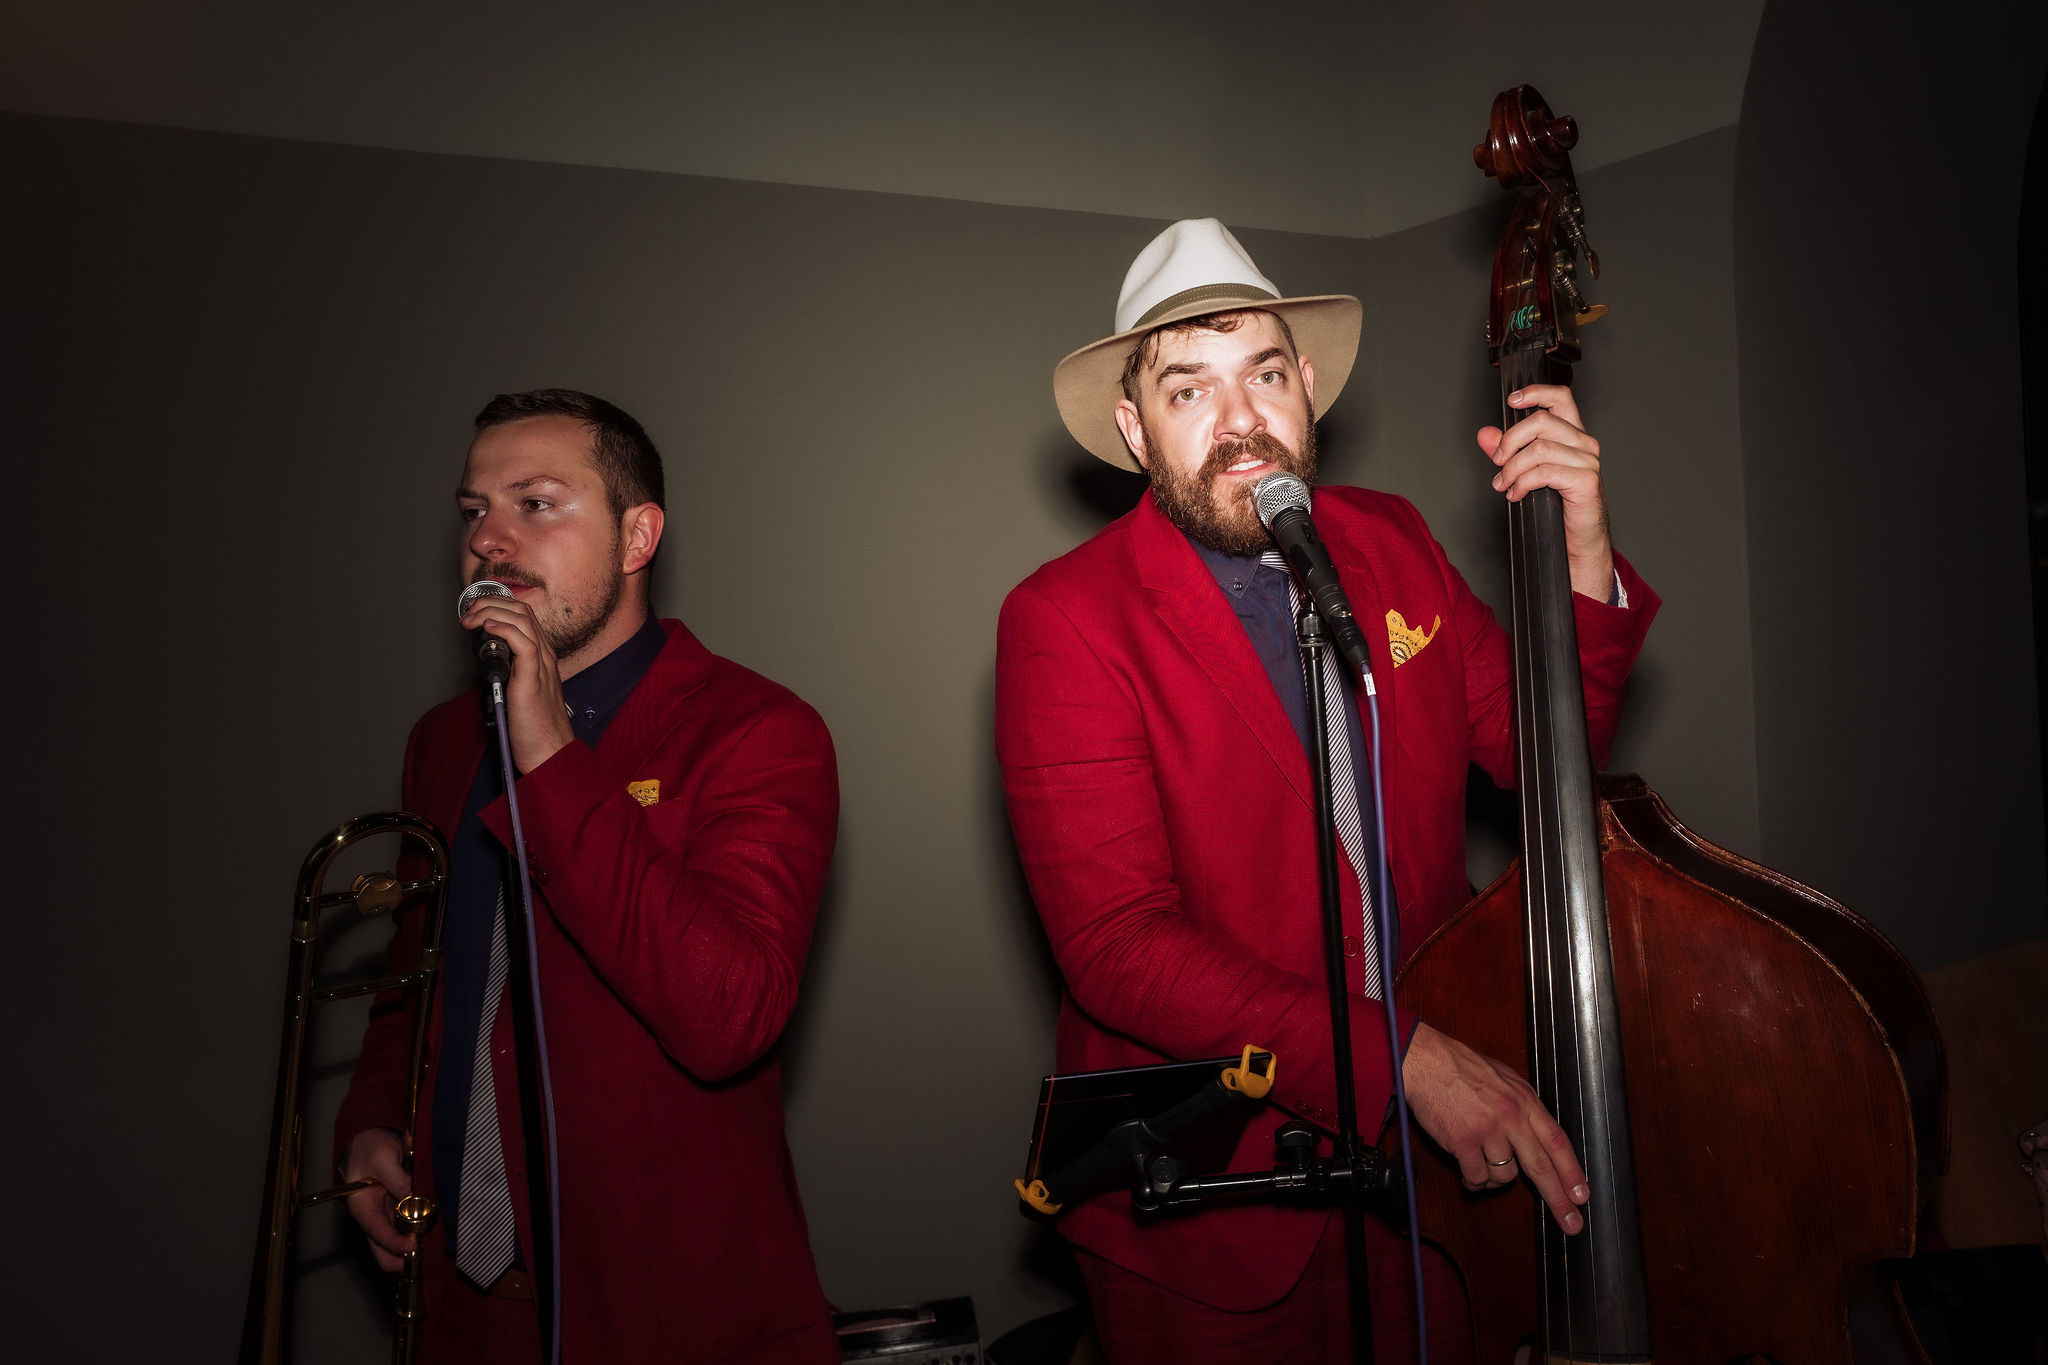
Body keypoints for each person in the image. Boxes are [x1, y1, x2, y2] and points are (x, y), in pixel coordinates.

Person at [995, 219, 1659, 1362]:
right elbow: (1116, 944)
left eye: (1261, 374)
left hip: (1430, 1187)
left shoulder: (1392, 540)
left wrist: (1582, 555)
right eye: (1186, 389)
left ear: (1305, 386)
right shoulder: (1063, 619)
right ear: (1133, 429)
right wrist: (1397, 1058)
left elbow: (1547, 764)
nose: (1238, 420)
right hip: (1213, 1218)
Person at [335, 390, 841, 1363]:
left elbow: (729, 1014)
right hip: (459, 1309)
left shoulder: (758, 731)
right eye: (474, 511)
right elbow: (418, 977)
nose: (488, 540)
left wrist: (550, 758)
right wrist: (369, 1124)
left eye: (535, 504)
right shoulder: (441, 742)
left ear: (637, 536)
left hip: (665, 1318)